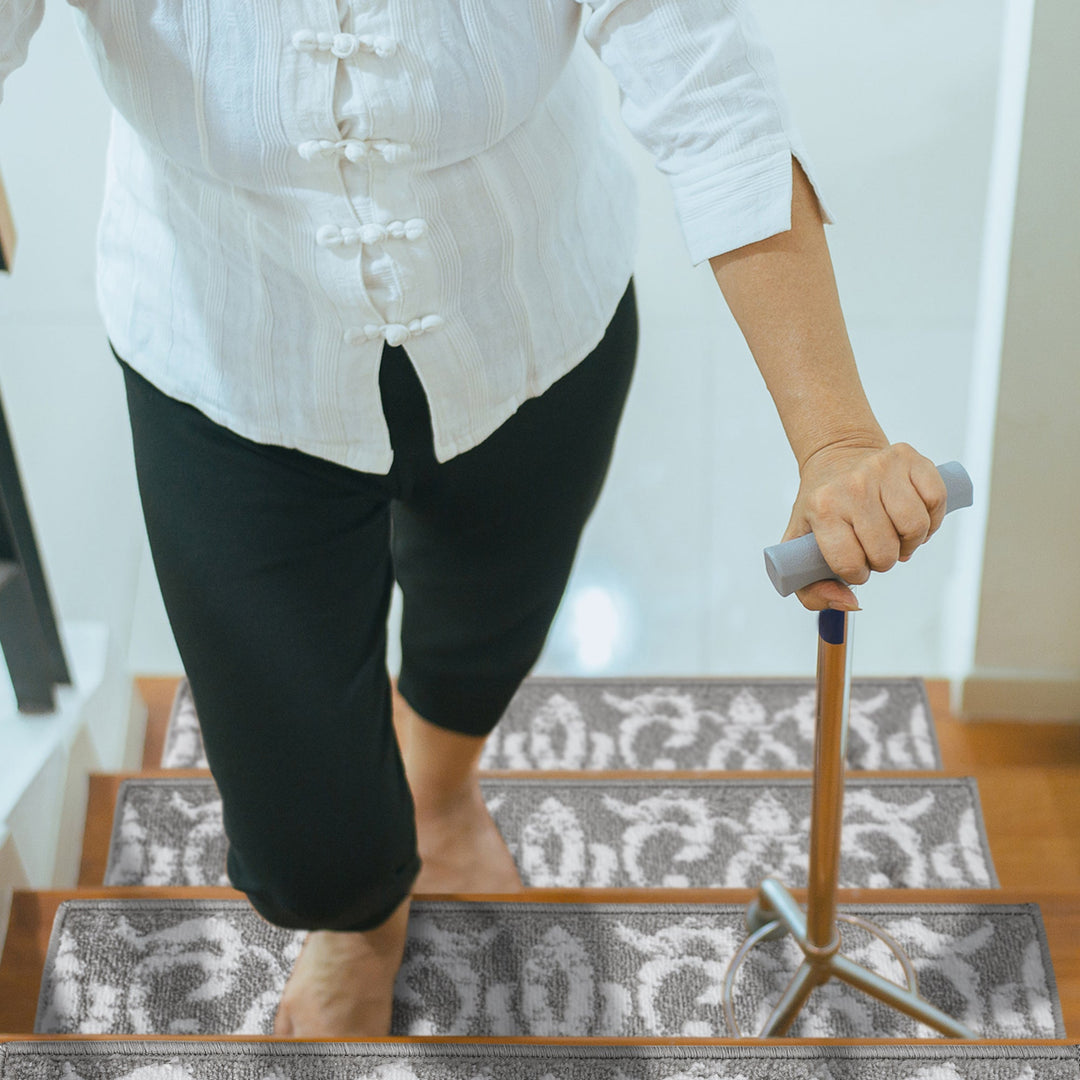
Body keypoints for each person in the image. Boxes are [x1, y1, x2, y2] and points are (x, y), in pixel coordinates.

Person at [0, 0, 947, 1038]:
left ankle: (440, 791)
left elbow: (710, 86)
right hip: (230, 346)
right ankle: (355, 923)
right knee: (302, 832)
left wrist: (834, 437)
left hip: (526, 312)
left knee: (486, 617)